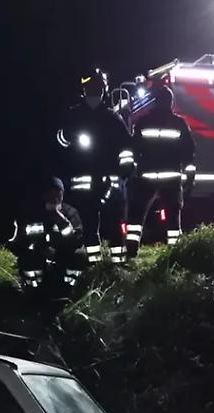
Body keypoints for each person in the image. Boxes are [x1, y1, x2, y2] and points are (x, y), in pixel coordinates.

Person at [55, 68, 133, 266]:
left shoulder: (113, 118)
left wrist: (126, 167)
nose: (93, 93)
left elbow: (126, 146)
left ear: (103, 90)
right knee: (90, 226)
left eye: (96, 88)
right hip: (84, 182)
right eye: (90, 88)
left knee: (116, 225)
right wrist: (68, 136)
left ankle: (118, 265)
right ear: (84, 91)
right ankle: (93, 266)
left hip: (110, 182)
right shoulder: (73, 116)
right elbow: (59, 143)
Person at [125, 84, 196, 257]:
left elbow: (133, 148)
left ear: (155, 102)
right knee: (173, 219)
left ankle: (131, 252)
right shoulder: (179, 123)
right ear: (171, 103)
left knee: (136, 216)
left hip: (146, 177)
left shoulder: (143, 121)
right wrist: (189, 178)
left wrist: (130, 170)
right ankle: (176, 255)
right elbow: (189, 151)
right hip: (171, 178)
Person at [8, 177, 84, 326]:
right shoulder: (33, 213)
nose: (55, 197)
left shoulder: (70, 213)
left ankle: (67, 296)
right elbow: (21, 240)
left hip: (62, 258)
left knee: (79, 257)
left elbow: (76, 240)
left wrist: (59, 219)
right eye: (51, 193)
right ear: (44, 195)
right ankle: (33, 296)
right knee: (29, 261)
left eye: (58, 193)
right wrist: (36, 248)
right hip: (39, 259)